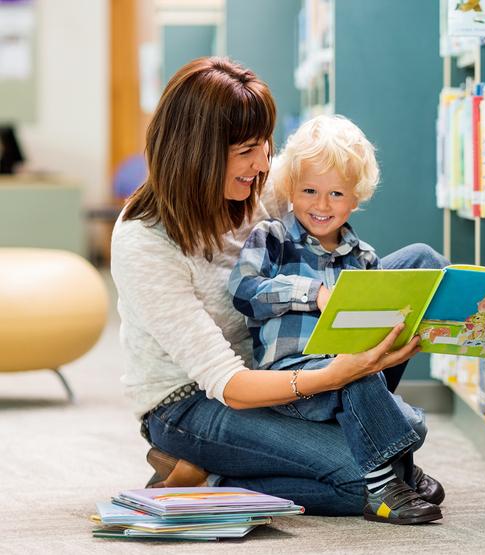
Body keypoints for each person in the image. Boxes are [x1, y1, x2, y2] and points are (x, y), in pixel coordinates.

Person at [109, 57, 448, 520]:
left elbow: (324, 165)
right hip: (195, 402)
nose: (262, 163)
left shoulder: (258, 187)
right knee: (365, 478)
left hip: (287, 358)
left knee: (421, 268)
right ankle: (208, 475)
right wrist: (336, 374)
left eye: (265, 144)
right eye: (247, 150)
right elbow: (225, 381)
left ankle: (361, 421)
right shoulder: (143, 240)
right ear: (198, 150)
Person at [227, 114, 442, 524]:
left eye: (336, 194)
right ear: (290, 188)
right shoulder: (273, 237)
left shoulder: (364, 257)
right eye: (309, 190)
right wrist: (311, 294)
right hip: (293, 380)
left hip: (349, 371)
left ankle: (396, 462)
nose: (321, 205)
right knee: (353, 374)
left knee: (421, 274)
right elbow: (243, 290)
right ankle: (385, 484)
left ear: (355, 199)